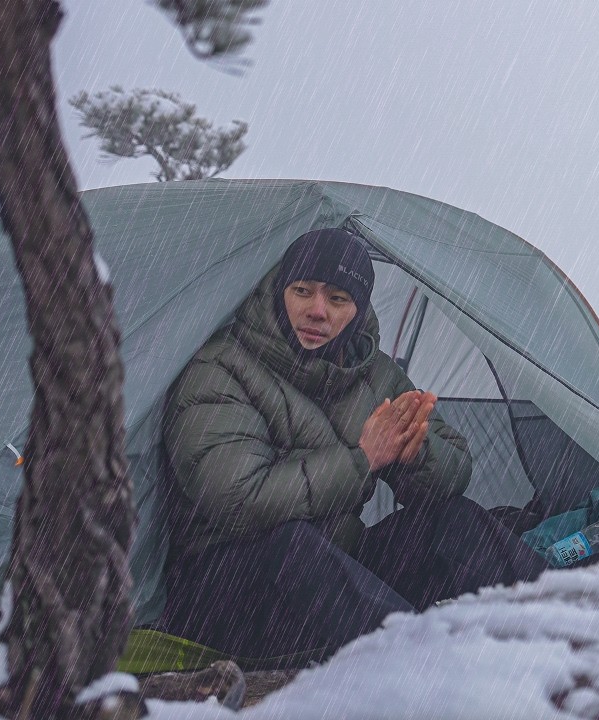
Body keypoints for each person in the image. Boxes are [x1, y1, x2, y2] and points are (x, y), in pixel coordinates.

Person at [159, 227, 545, 660]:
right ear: (280, 290)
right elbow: (237, 498)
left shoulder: (372, 373)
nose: (317, 311)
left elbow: (455, 465)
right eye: (302, 291)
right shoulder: (221, 367)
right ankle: (426, 669)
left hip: (335, 571)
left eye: (338, 299)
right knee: (295, 546)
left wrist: (413, 453)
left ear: (358, 311)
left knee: (452, 521)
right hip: (221, 592)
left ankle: (568, 624)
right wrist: (363, 460)